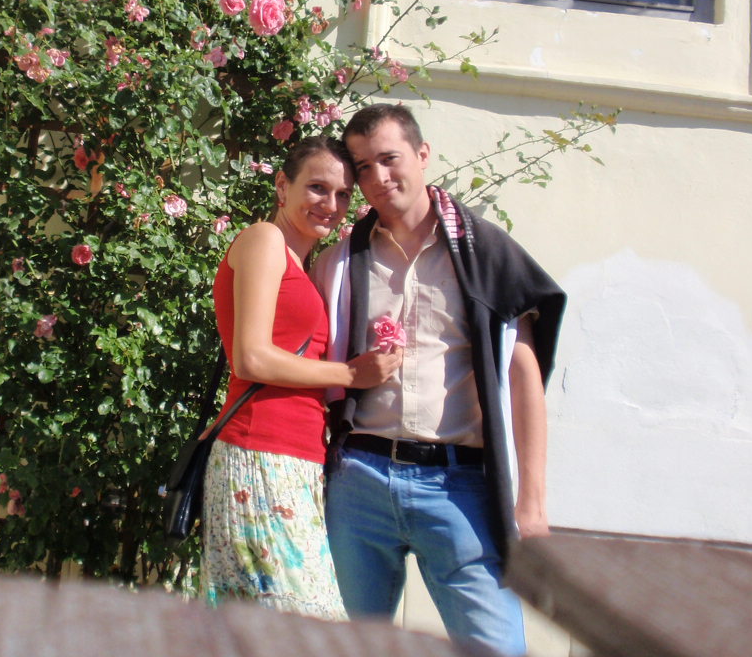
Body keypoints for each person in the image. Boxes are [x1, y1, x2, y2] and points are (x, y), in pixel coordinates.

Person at [312, 104, 565, 656]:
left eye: (389, 159)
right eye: (363, 167)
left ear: (422, 155)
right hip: (360, 480)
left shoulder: (483, 253)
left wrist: (532, 503)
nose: (378, 177)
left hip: (458, 486)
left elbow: (523, 377)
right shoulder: (341, 262)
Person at [202, 135, 402, 619]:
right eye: (317, 188)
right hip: (262, 453)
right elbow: (251, 358)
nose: (330, 204)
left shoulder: (302, 262)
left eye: (342, 194)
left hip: (293, 459)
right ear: (281, 186)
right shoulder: (264, 240)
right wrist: (350, 374)